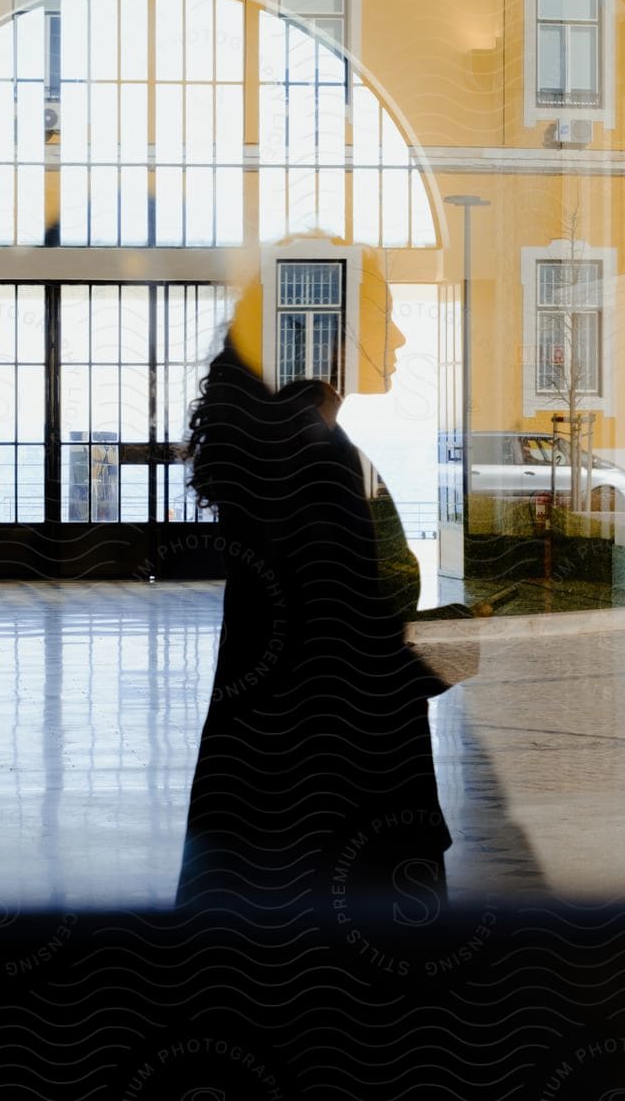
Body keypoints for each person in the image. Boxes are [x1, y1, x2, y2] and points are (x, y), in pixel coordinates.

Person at [175, 249, 462, 915]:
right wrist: (467, 642)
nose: (398, 337)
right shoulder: (318, 462)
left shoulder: (285, 447)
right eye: (383, 317)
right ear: (331, 335)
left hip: (271, 796)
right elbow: (343, 663)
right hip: (337, 807)